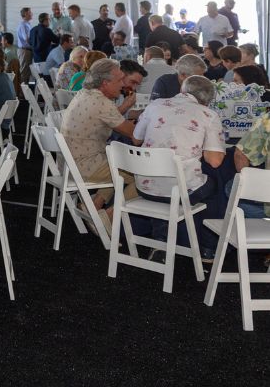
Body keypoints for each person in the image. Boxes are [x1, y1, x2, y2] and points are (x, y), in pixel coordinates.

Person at [132, 75, 225, 261]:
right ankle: (208, 247)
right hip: (181, 190)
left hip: (144, 186)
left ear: (182, 90)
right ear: (207, 100)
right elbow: (214, 161)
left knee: (167, 186)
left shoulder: (155, 104)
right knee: (216, 186)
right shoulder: (208, 115)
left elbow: (136, 139)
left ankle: (161, 241)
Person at [61, 59, 137, 228]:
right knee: (142, 177)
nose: (123, 84)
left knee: (116, 162)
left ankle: (94, 205)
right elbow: (135, 136)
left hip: (69, 163)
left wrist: (125, 107)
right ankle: (109, 217)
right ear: (105, 83)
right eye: (119, 80)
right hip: (85, 166)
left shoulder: (85, 93)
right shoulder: (102, 103)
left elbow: (108, 118)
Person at [17, 7, 33, 84]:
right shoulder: (24, 25)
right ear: (26, 14)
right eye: (30, 12)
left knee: (26, 72)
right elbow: (26, 38)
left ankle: (23, 92)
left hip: (26, 50)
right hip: (25, 51)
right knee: (24, 72)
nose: (32, 14)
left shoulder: (27, 24)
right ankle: (22, 93)